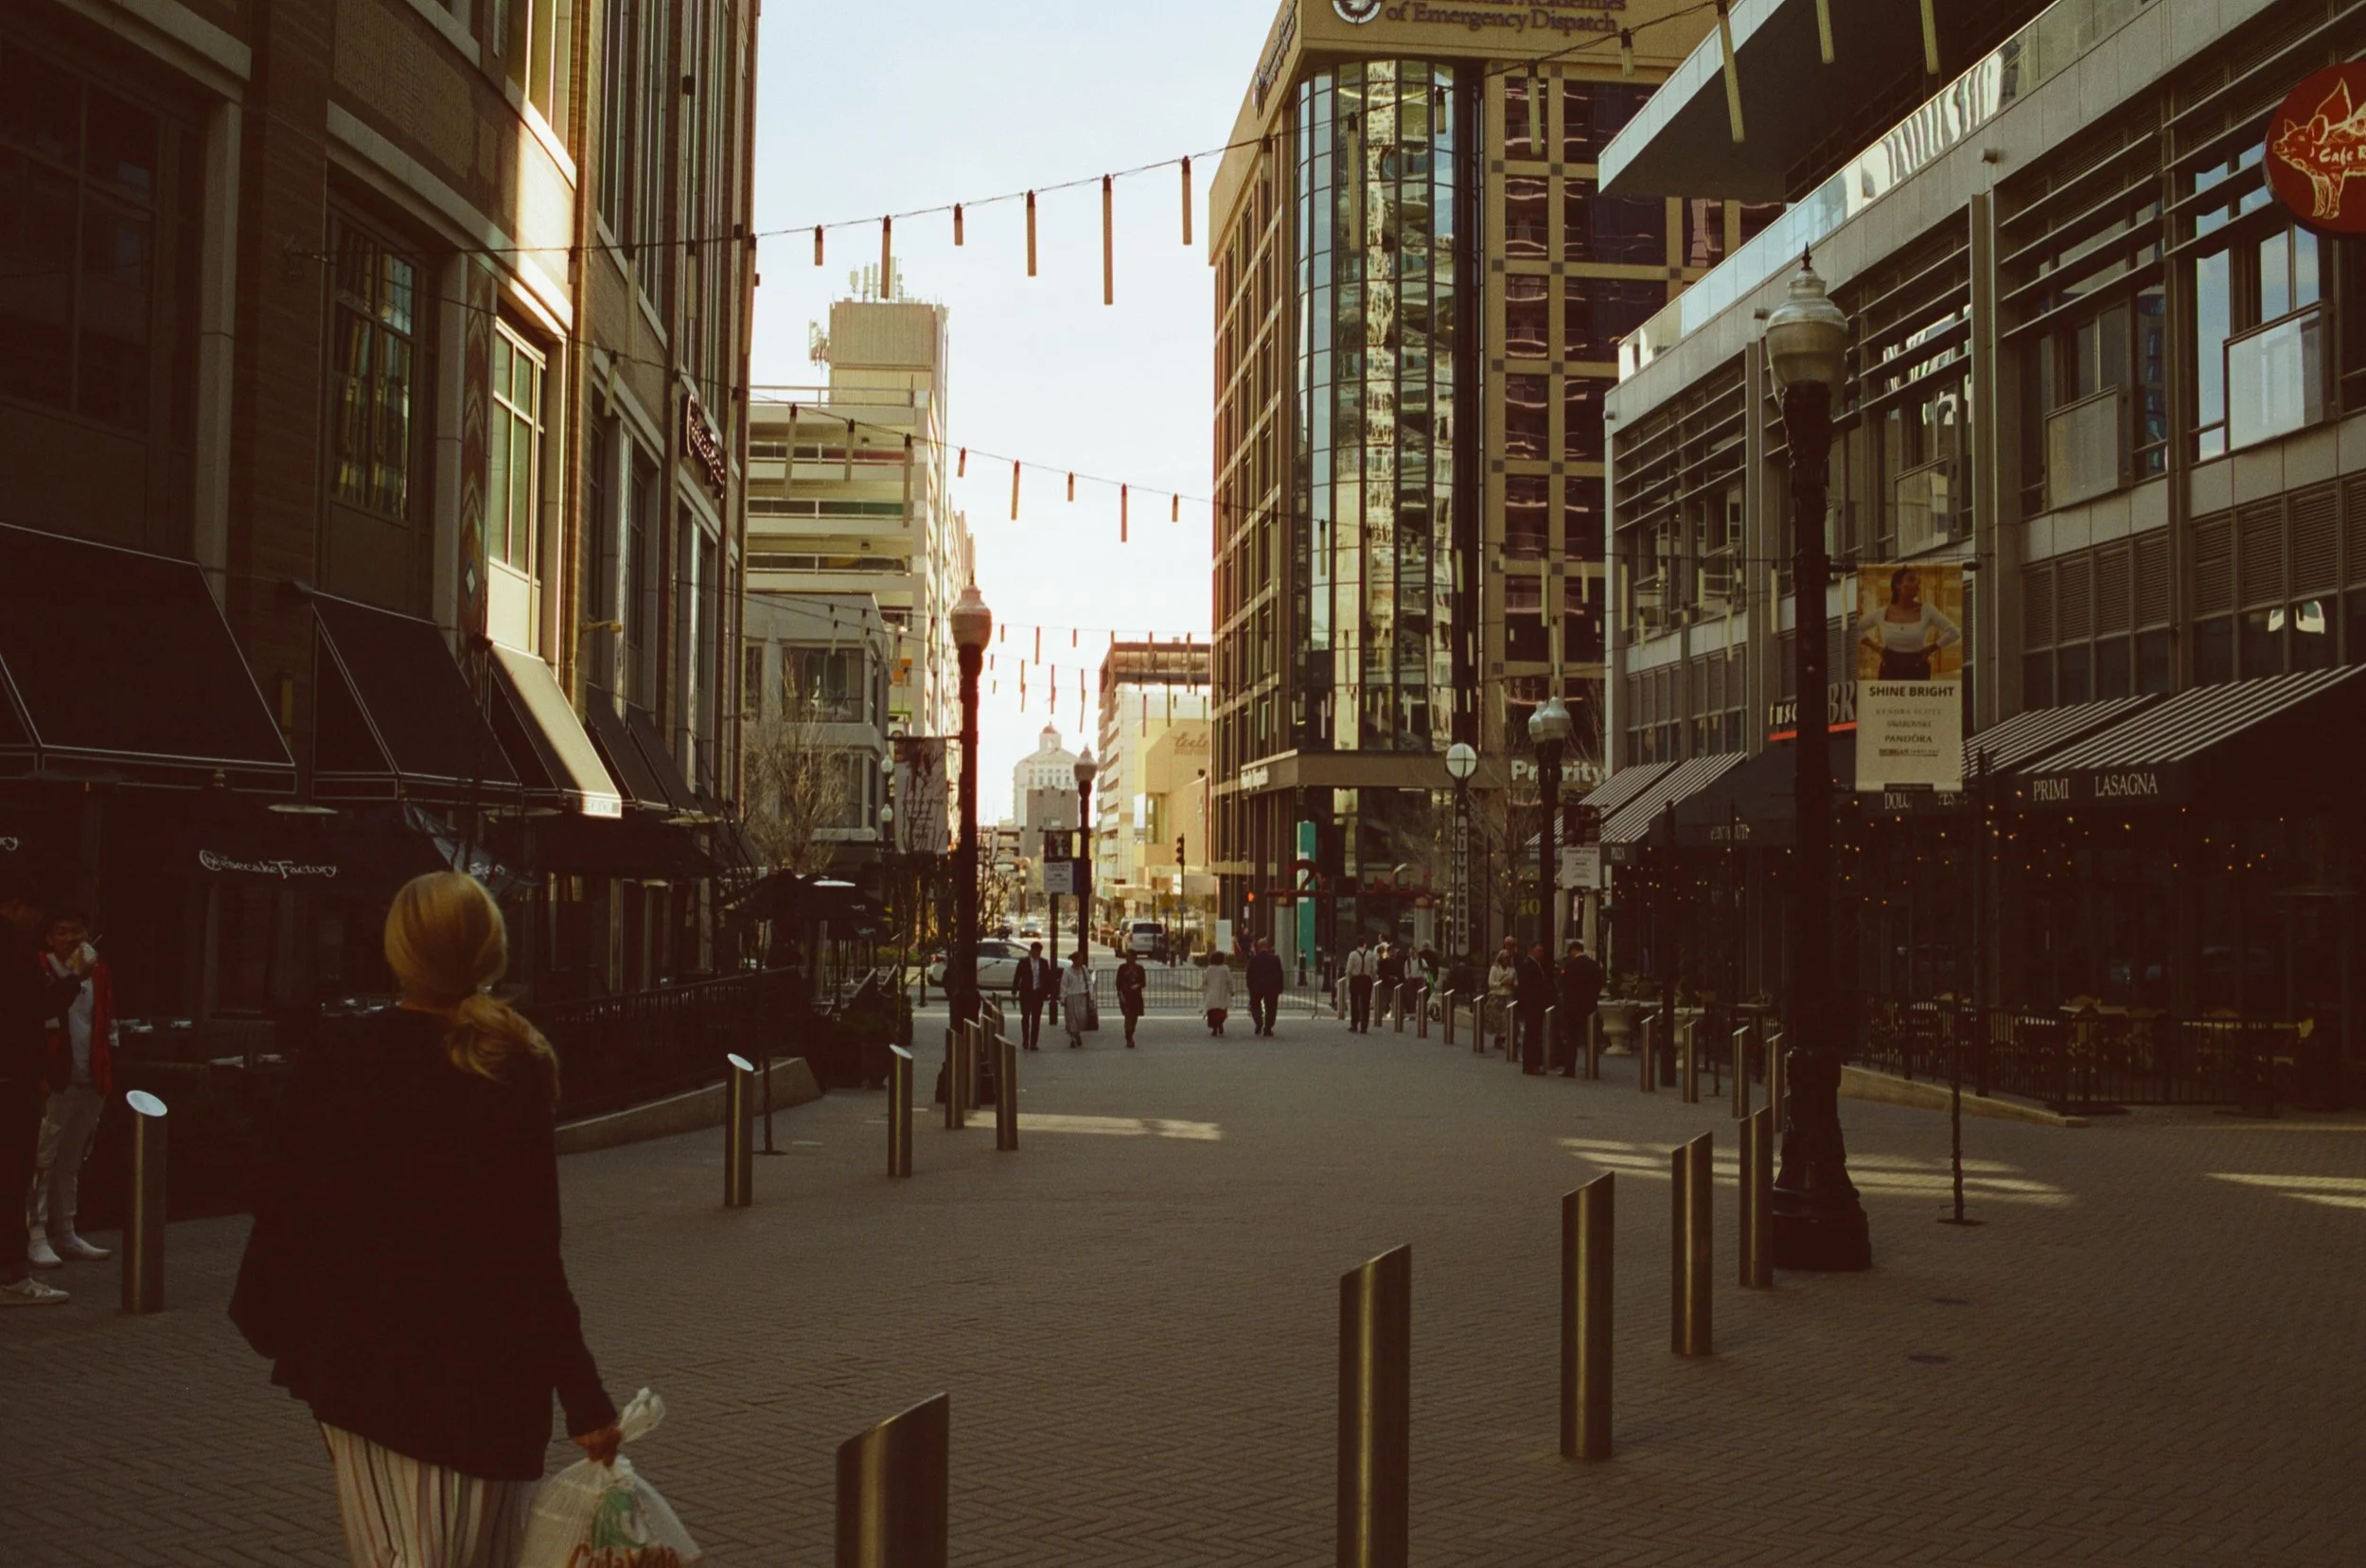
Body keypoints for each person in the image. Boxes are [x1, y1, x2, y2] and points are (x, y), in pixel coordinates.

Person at [231, 872, 619, 1563]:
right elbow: (530, 1250)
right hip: (483, 1383)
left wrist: (282, 1326)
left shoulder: (341, 1053)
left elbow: (284, 1200)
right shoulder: (510, 1061)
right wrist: (583, 1395)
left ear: (398, 949)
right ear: (489, 949)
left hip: (362, 1373)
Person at [2, 871, 82, 1306]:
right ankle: (14, 1275)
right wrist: (72, 980)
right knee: (13, 1177)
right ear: (17, 907)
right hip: (12, 1080)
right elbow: (35, 1008)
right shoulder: (15, 951)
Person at [27, 908, 115, 1270]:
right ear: (50, 937)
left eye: (76, 932)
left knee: (71, 1158)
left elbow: (107, 1021)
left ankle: (66, 1230)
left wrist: (106, 1070)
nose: (69, 940)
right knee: (41, 1159)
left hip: (90, 1077)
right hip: (54, 1081)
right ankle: (35, 1234)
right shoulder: (39, 970)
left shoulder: (100, 972)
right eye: (61, 932)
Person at [1857, 565, 1963, 680]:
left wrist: (1931, 649)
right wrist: (1876, 648)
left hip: (1917, 668)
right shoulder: (1882, 613)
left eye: (1918, 581)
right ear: (1898, 585)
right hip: (1890, 669)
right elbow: (1855, 630)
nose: (1917, 584)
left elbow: (1954, 632)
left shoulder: (1927, 610)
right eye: (1911, 580)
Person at [1556, 939, 1606, 1077]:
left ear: (1573, 950)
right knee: (1590, 1037)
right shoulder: (1593, 965)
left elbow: (1564, 985)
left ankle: (1570, 1068)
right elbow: (1599, 983)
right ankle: (1592, 1068)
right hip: (1589, 1006)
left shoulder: (1570, 966)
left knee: (1571, 1038)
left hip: (1572, 1006)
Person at [1515, 942, 1553, 1074]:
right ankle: (1530, 1064)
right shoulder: (1528, 965)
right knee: (1532, 1034)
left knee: (1535, 1034)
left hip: (1537, 1005)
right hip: (1533, 1005)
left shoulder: (1538, 965)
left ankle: (1533, 1063)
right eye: (1539, 950)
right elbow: (1526, 987)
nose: (1541, 954)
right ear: (1531, 950)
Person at [1014, 942, 1056, 1051]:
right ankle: (1025, 1040)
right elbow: (1017, 977)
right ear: (1031, 951)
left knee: (1036, 1019)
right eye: (1036, 951)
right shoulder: (1023, 962)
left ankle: (1033, 1043)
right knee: (1025, 1017)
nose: (1038, 954)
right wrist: (1014, 992)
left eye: (1040, 952)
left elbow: (1048, 978)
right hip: (1026, 993)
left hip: (1038, 993)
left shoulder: (1043, 962)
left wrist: (1049, 992)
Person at [1245, 937, 1284, 1037]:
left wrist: (1249, 985)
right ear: (1268, 947)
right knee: (1271, 1008)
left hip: (1256, 987)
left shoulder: (1254, 959)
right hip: (1271, 987)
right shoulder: (1275, 959)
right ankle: (1268, 1028)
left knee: (1255, 1005)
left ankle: (1258, 1021)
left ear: (1258, 947)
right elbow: (1279, 974)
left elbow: (1249, 973)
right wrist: (1280, 987)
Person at [1486, 941, 1518, 1051]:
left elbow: (1516, 983)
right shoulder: (1494, 969)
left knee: (1507, 1019)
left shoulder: (1512, 969)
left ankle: (1506, 1038)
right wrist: (1501, 983)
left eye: (1509, 958)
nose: (1507, 960)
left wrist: (1512, 984)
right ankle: (1498, 1038)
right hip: (1497, 996)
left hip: (1508, 995)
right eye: (1505, 958)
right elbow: (1490, 983)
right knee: (1498, 1020)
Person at [1060, 949, 1094, 1048]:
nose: (1081, 961)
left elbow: (1089, 982)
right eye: (1079, 959)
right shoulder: (1067, 971)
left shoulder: (1083, 969)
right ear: (1074, 960)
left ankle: (1077, 1033)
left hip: (1082, 995)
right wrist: (1063, 997)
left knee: (1081, 1017)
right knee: (1072, 1018)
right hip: (1071, 996)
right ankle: (1073, 1038)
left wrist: (1091, 995)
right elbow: (1064, 985)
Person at [1114, 951, 1146, 1048]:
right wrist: (1120, 993)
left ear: (1134, 958)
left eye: (1130, 957)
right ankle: (1129, 1037)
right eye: (1127, 957)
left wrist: (1137, 985)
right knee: (1128, 1016)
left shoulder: (1139, 969)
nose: (1128, 959)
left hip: (1136, 996)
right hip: (1125, 995)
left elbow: (1143, 982)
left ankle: (1131, 1032)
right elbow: (1118, 982)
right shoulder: (1122, 968)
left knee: (1134, 1017)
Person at [1344, 937, 1375, 1033]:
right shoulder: (1371, 954)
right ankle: (1364, 1026)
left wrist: (1349, 980)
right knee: (1365, 1003)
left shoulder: (1352, 954)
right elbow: (1374, 969)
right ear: (1365, 944)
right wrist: (1372, 978)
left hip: (1356, 979)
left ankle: (1354, 1024)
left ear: (1357, 944)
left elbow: (1349, 969)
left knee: (1354, 1002)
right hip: (1366, 979)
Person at [1200, 952, 1233, 1036]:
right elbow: (1230, 980)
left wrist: (1204, 989)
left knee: (1212, 1012)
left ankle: (1215, 1028)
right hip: (1223, 993)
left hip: (1211, 993)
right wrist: (1232, 990)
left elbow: (1205, 981)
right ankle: (1220, 1024)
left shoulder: (1210, 968)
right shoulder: (1225, 968)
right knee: (1222, 1011)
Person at [1375, 942, 1405, 1026]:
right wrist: (1388, 977)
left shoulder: (1399, 963)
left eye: (1395, 951)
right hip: (1385, 985)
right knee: (1383, 1003)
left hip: (1395, 986)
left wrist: (1399, 980)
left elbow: (1401, 974)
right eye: (1392, 951)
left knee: (1395, 1003)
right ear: (1388, 952)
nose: (1393, 953)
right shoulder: (1383, 962)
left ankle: (1395, 1018)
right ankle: (1379, 1018)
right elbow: (1380, 973)